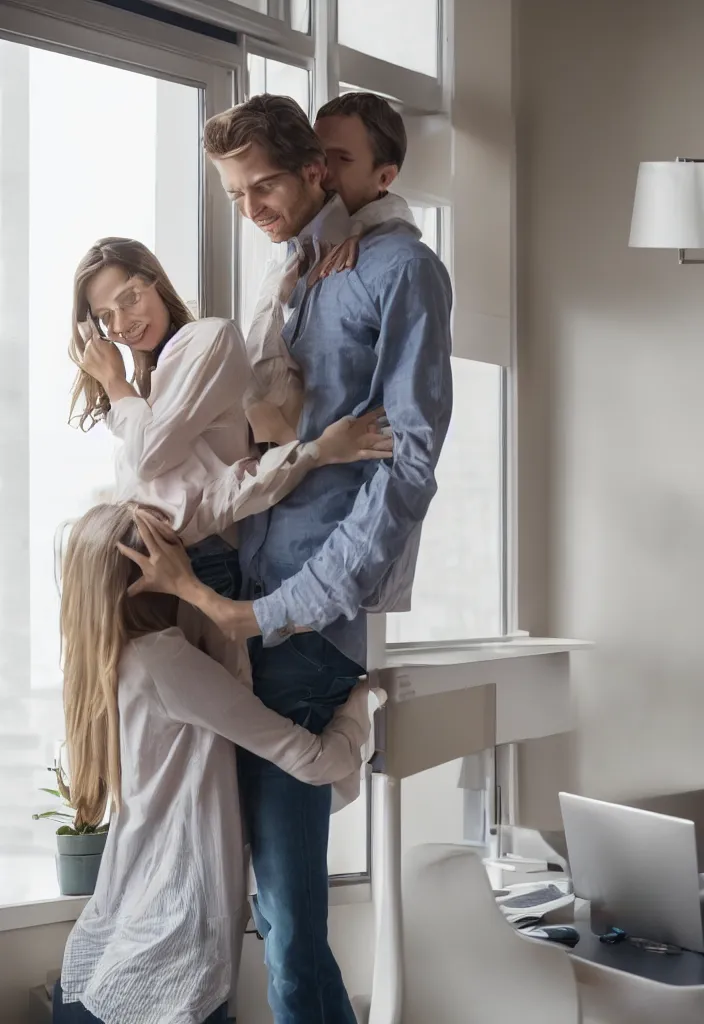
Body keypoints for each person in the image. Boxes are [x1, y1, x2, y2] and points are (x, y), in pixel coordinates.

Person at [130, 93, 452, 1024]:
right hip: (254, 579)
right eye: (235, 193)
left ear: (318, 168)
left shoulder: (401, 268)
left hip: (304, 612)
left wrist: (275, 612)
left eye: (264, 182)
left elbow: (409, 467)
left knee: (292, 918)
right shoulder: (302, 271)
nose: (252, 204)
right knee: (271, 906)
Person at [52, 501, 379, 1024]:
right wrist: (364, 704)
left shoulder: (110, 660)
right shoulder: (167, 661)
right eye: (173, 554)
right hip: (166, 966)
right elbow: (312, 760)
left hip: (106, 958)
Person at [68, 237, 392, 610]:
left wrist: (114, 382)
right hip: (156, 563)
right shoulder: (149, 385)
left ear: (154, 281)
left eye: (129, 298)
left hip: (199, 562)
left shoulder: (206, 339)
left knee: (190, 668)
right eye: (105, 317)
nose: (121, 324)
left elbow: (149, 458)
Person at [242, 93, 418, 444]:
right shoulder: (297, 247)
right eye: (318, 154)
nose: (322, 170)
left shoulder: (400, 265)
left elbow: (409, 426)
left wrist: (361, 232)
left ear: (384, 177)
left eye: (341, 158)